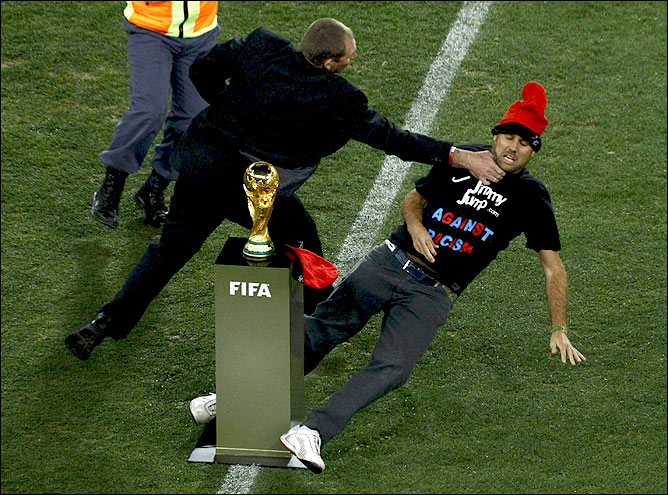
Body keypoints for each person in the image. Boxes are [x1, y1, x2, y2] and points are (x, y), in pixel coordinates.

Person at [190, 81, 587, 474]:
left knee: (394, 367)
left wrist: (559, 327)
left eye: (525, 143)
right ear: (496, 135)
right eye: (509, 137)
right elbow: (415, 198)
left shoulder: (532, 197)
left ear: (533, 151)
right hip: (389, 262)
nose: (513, 148)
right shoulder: (465, 159)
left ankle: (312, 431)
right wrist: (415, 226)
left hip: (434, 293)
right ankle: (232, 399)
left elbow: (553, 266)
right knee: (322, 330)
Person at [65, 18, 504, 361]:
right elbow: (395, 139)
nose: (352, 60)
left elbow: (201, 71)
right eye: (349, 56)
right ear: (329, 63)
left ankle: (105, 322)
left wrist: (226, 108)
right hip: (255, 189)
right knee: (303, 239)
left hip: (205, 169)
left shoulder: (260, 46)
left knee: (167, 253)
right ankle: (311, 324)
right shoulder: (339, 98)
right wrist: (462, 156)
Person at [90, 1, 220, 229]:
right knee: (148, 111)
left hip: (201, 32)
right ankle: (112, 186)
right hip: (151, 30)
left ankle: (155, 187)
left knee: (196, 121)